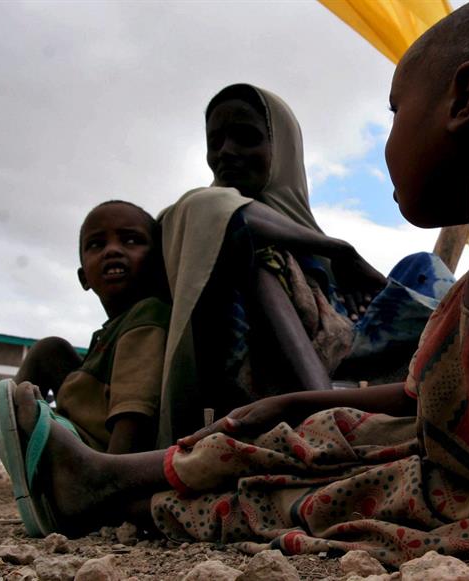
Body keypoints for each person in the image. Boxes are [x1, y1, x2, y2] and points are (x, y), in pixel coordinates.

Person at [0, 1, 469, 575]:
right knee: (299, 465)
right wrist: (293, 401)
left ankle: (103, 480)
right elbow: (420, 400)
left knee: (325, 458)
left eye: (392, 108)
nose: (387, 140)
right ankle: (101, 486)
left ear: (462, 96)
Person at [157, 84, 453, 446]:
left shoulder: (312, 253)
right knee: (256, 253)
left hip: (358, 371)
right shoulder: (192, 218)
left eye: (246, 137)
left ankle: (454, 377)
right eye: (215, 141)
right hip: (267, 390)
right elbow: (218, 211)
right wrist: (341, 250)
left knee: (424, 267)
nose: (226, 152)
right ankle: (331, 417)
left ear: (283, 150)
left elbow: (349, 320)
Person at [0, 200, 170, 490]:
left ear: (158, 264)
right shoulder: (111, 329)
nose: (113, 250)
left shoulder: (147, 315)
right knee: (50, 349)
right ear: (84, 278)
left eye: (131, 240)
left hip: (84, 455)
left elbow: (134, 409)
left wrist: (107, 481)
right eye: (96, 244)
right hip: (70, 434)